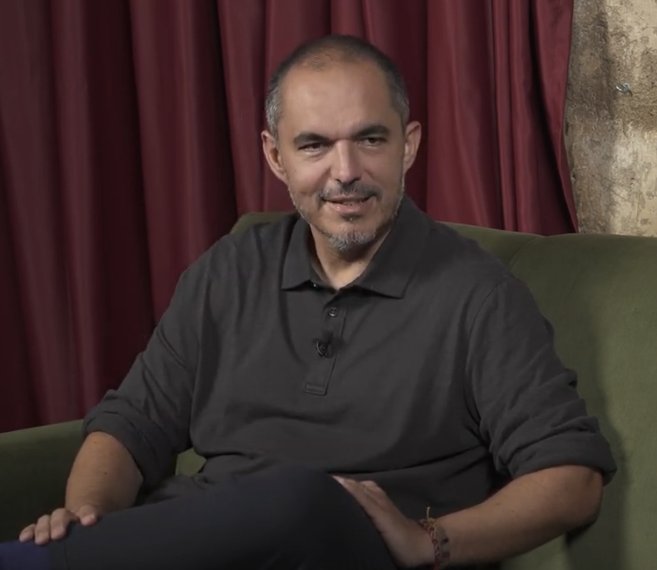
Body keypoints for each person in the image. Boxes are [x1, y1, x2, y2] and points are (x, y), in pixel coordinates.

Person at [0, 34, 615, 570]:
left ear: (408, 145)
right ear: (276, 157)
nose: (345, 171)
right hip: (207, 547)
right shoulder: (229, 271)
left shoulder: (478, 295)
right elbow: (130, 428)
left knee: (306, 497)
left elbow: (572, 476)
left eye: (369, 139)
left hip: (344, 547)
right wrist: (86, 519)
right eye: (315, 145)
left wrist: (429, 539)